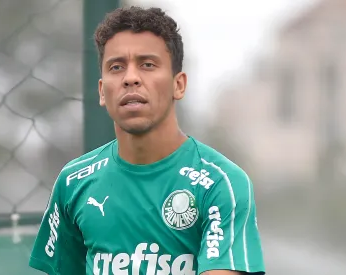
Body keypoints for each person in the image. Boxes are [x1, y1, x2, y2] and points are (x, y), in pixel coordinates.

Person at [28, 6, 265, 275]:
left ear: (179, 85)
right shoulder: (73, 182)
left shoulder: (222, 183)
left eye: (147, 65)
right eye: (116, 67)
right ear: (102, 91)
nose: (130, 78)